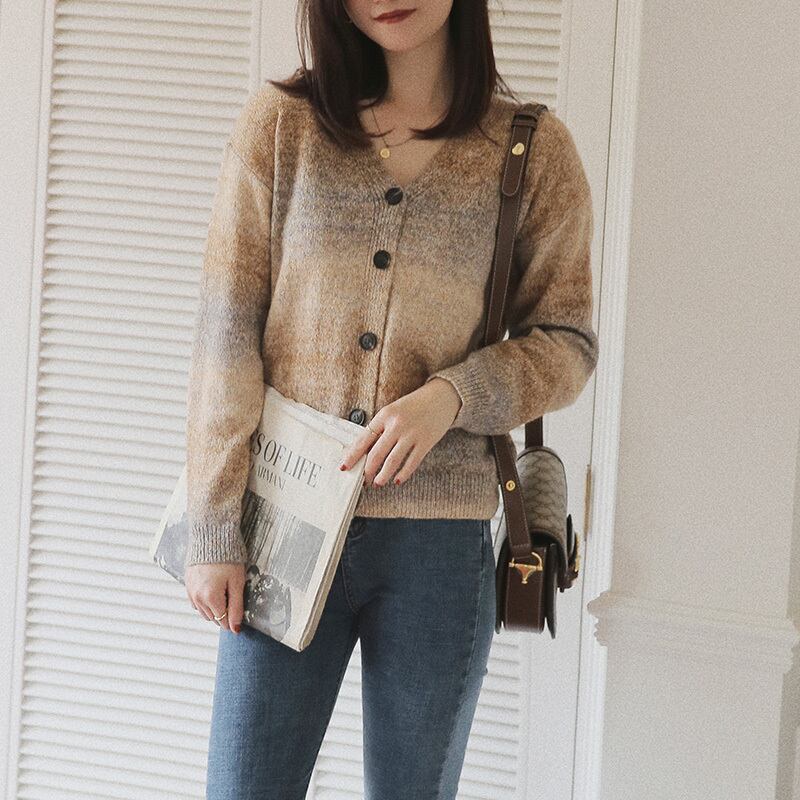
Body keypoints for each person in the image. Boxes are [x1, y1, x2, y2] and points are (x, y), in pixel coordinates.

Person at [184, 0, 599, 797]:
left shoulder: (532, 151)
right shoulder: (282, 127)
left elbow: (567, 342)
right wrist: (213, 526)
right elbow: (225, 331)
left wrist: (452, 396)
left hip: (438, 549)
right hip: (282, 527)